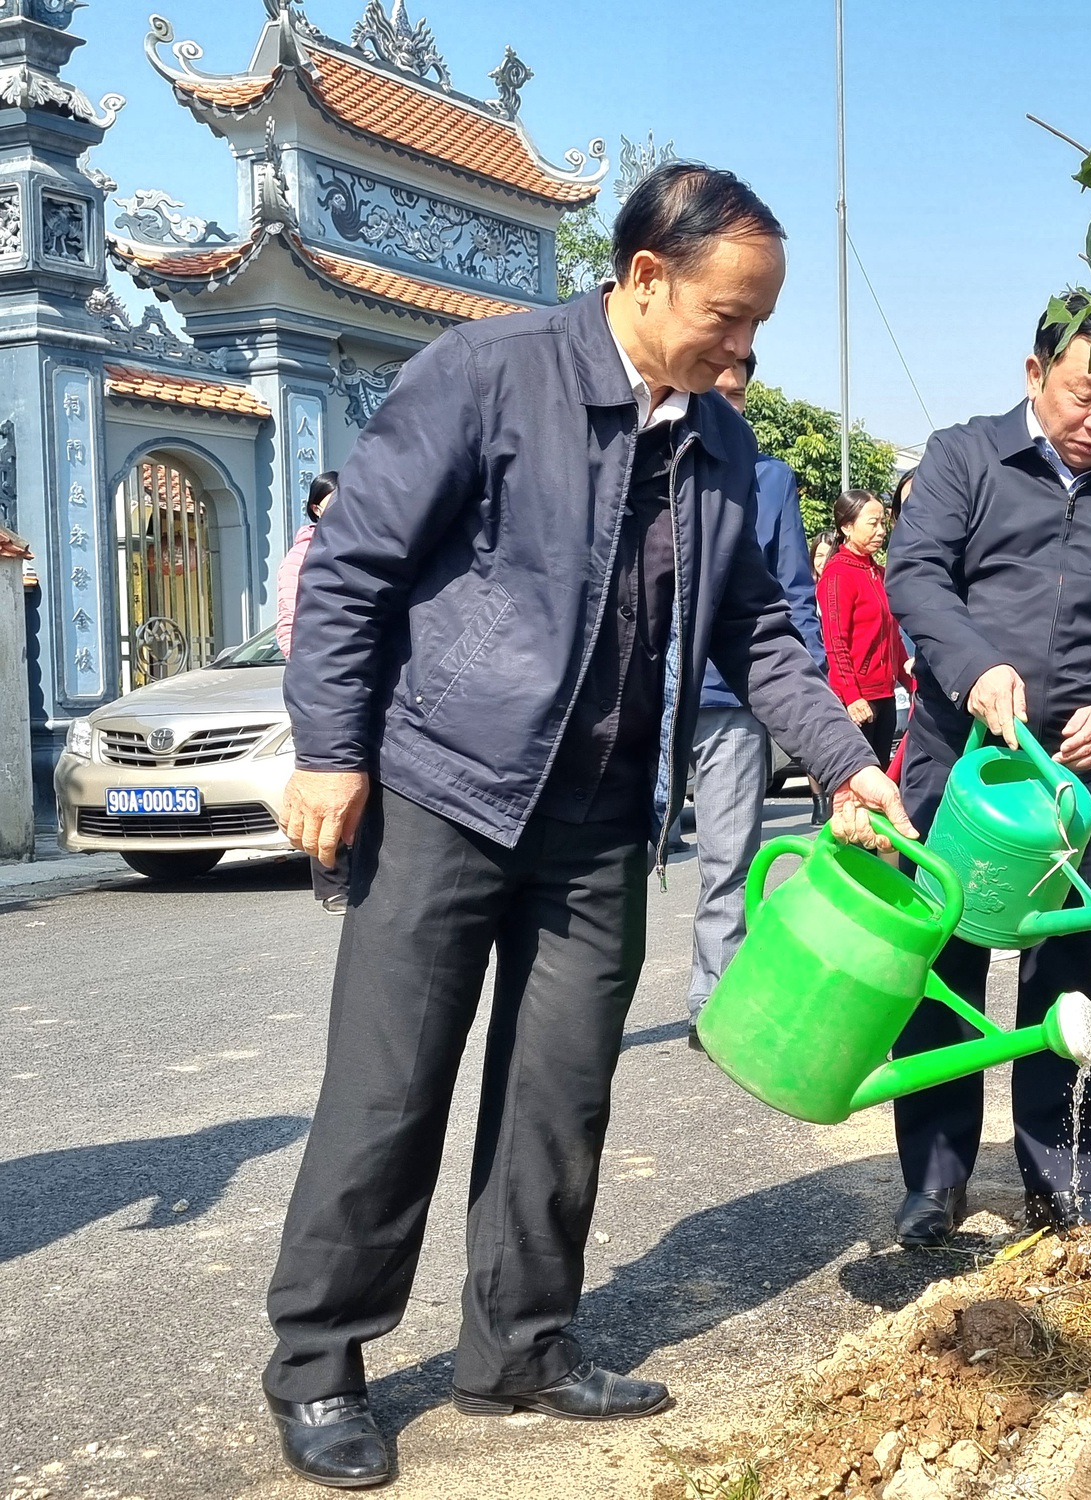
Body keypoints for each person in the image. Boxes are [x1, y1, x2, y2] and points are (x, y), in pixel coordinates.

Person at [266, 161, 913, 1489]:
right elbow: (356, 571)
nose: (744, 348)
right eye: (728, 316)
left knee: (562, 1090)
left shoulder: (726, 449)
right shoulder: (487, 375)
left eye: (759, 324)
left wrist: (847, 766)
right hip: (447, 788)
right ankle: (321, 1360)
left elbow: (760, 635)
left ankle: (520, 1345)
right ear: (644, 276)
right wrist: (334, 751)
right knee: (391, 1090)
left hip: (607, 816)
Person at [885, 283, 1091, 1247]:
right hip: (963, 764)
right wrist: (975, 671)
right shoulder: (964, 458)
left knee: (1073, 975)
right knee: (943, 963)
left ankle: (1062, 1173)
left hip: (1074, 783)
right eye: (1080, 396)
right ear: (1034, 375)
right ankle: (935, 1181)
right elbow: (915, 573)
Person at [678, 350, 825, 1050]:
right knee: (606, 860)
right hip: (650, 699)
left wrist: (815, 700)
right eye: (714, 387)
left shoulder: (768, 480)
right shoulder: (655, 459)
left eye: (735, 392)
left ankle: (716, 1004)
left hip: (732, 701)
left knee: (727, 861)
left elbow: (793, 593)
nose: (723, 401)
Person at [276, 473, 352, 914]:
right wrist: (306, 668)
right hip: (319, 677)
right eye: (330, 499)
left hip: (359, 674)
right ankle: (332, 882)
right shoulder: (303, 553)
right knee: (326, 771)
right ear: (315, 507)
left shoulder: (366, 541)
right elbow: (290, 620)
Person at [818, 488, 912, 769]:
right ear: (847, 527)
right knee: (858, 781)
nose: (881, 530)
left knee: (881, 774)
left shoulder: (879, 574)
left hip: (885, 695)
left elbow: (893, 638)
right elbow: (836, 642)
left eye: (882, 523)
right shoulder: (837, 575)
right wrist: (852, 696)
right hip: (858, 701)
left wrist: (912, 681)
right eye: (872, 523)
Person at [274, 471, 338, 659]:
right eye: (333, 503)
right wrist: (300, 661)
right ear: (316, 509)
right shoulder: (300, 556)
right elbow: (288, 616)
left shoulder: (363, 546)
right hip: (318, 665)